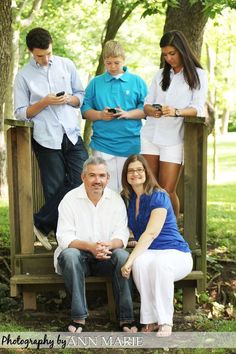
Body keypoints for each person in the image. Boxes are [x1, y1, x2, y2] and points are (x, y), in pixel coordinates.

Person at [14, 27, 88, 250]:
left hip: (72, 134)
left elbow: (81, 97)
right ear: (30, 51)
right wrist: (44, 102)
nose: (45, 59)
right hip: (46, 137)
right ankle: (63, 239)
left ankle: (40, 222)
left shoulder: (66, 64)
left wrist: (69, 99)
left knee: (82, 179)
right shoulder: (23, 76)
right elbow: (20, 112)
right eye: (40, 56)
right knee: (54, 188)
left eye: (48, 53)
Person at [54, 156, 137, 333]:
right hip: (79, 259)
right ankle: (78, 317)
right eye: (92, 175)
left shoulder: (115, 200)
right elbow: (64, 238)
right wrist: (90, 247)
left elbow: (121, 235)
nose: (97, 180)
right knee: (69, 255)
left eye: (101, 176)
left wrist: (108, 245)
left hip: (106, 255)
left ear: (108, 178)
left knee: (123, 256)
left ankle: (127, 318)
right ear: (83, 177)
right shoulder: (69, 199)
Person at [120, 154, 193, 337]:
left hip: (175, 252)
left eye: (139, 169)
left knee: (158, 264)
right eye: (130, 171)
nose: (135, 174)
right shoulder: (128, 199)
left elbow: (151, 232)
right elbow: (132, 230)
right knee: (141, 263)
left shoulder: (159, 195)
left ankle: (165, 321)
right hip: (151, 251)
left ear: (147, 172)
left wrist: (128, 259)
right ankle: (149, 320)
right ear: (125, 176)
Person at [141, 30, 208, 218]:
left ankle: (171, 234)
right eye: (165, 54)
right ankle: (149, 231)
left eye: (172, 53)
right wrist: (151, 110)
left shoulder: (198, 75)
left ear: (182, 51)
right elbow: (146, 103)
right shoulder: (160, 74)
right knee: (149, 189)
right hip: (150, 136)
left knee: (166, 190)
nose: (169, 58)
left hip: (174, 138)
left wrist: (176, 111)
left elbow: (197, 107)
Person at [81, 40, 147, 192]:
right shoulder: (95, 83)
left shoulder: (137, 82)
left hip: (131, 144)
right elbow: (85, 110)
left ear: (124, 60)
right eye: (108, 63)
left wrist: (127, 114)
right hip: (103, 145)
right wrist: (100, 115)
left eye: (116, 63)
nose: (112, 67)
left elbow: (145, 109)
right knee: (105, 190)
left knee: (130, 190)